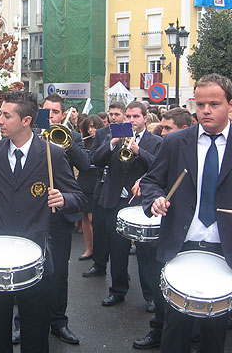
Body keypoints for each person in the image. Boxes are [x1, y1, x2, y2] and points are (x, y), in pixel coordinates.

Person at [141, 73, 232, 353]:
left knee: (214, 337)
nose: (205, 111)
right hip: (181, 245)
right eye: (200, 105)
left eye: (214, 104)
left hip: (225, 250)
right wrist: (155, 200)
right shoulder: (176, 142)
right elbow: (152, 181)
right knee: (175, 332)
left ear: (231, 104)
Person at [0, 90, 85, 353]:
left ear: (26, 121)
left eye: (6, 115)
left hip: (35, 254)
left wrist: (64, 199)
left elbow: (78, 197)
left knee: (35, 329)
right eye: (1, 114)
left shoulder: (52, 155)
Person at [132, 107, 192, 350]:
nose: (163, 132)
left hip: (185, 232)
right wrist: (148, 188)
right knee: (160, 287)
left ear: (184, 130)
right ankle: (158, 330)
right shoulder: (167, 148)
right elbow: (154, 178)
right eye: (163, 128)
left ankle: (190, 338)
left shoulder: (192, 153)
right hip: (162, 227)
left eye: (168, 128)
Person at [92, 101, 162, 310]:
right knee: (118, 249)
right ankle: (117, 291)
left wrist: (138, 150)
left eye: (135, 117)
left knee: (145, 251)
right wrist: (113, 142)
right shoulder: (114, 134)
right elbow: (96, 159)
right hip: (116, 201)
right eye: (128, 117)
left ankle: (150, 296)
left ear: (145, 117)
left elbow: (159, 167)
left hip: (141, 202)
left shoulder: (155, 141)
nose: (131, 121)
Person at [40, 94, 89, 345]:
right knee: (29, 272)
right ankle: (21, 321)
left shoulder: (73, 136)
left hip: (61, 213)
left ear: (62, 115)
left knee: (59, 272)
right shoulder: (31, 136)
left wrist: (67, 143)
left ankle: (58, 322)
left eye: (55, 113)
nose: (50, 117)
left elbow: (87, 164)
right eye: (46, 112)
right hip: (34, 214)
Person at [83, 102, 126, 279]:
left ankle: (120, 269)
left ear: (124, 115)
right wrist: (110, 144)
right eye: (111, 114)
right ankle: (99, 264)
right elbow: (93, 158)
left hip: (123, 189)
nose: (113, 117)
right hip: (103, 185)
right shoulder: (102, 134)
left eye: (117, 114)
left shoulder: (132, 134)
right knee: (99, 227)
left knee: (119, 235)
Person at [77, 114, 104, 261]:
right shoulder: (83, 142)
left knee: (93, 218)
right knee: (85, 217)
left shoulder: (102, 142)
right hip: (84, 181)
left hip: (96, 181)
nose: (92, 130)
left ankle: (98, 251)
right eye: (89, 127)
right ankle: (89, 249)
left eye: (94, 127)